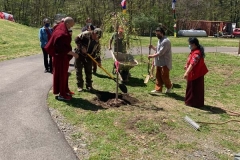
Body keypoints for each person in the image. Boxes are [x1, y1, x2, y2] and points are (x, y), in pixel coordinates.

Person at [44, 17, 79, 101]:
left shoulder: (61, 27)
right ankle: (61, 95)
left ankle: (65, 90)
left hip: (61, 57)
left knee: (64, 75)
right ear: (67, 23)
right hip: (60, 58)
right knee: (61, 75)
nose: (72, 25)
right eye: (71, 24)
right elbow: (62, 48)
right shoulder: (62, 32)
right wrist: (74, 54)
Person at [183, 37, 208, 107]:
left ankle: (194, 103)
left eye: (190, 44)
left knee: (195, 89)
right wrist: (186, 66)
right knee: (191, 88)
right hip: (193, 73)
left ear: (194, 44)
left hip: (197, 74)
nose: (189, 45)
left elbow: (192, 63)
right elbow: (190, 60)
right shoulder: (193, 51)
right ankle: (189, 102)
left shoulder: (197, 53)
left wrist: (186, 72)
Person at [148, 27, 173, 93]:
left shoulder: (166, 41)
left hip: (165, 62)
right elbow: (157, 49)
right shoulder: (160, 40)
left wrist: (152, 56)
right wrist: (152, 47)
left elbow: (161, 52)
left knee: (164, 77)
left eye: (158, 34)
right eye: (156, 34)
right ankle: (158, 89)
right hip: (159, 62)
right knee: (158, 76)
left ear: (162, 33)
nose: (157, 36)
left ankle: (169, 86)